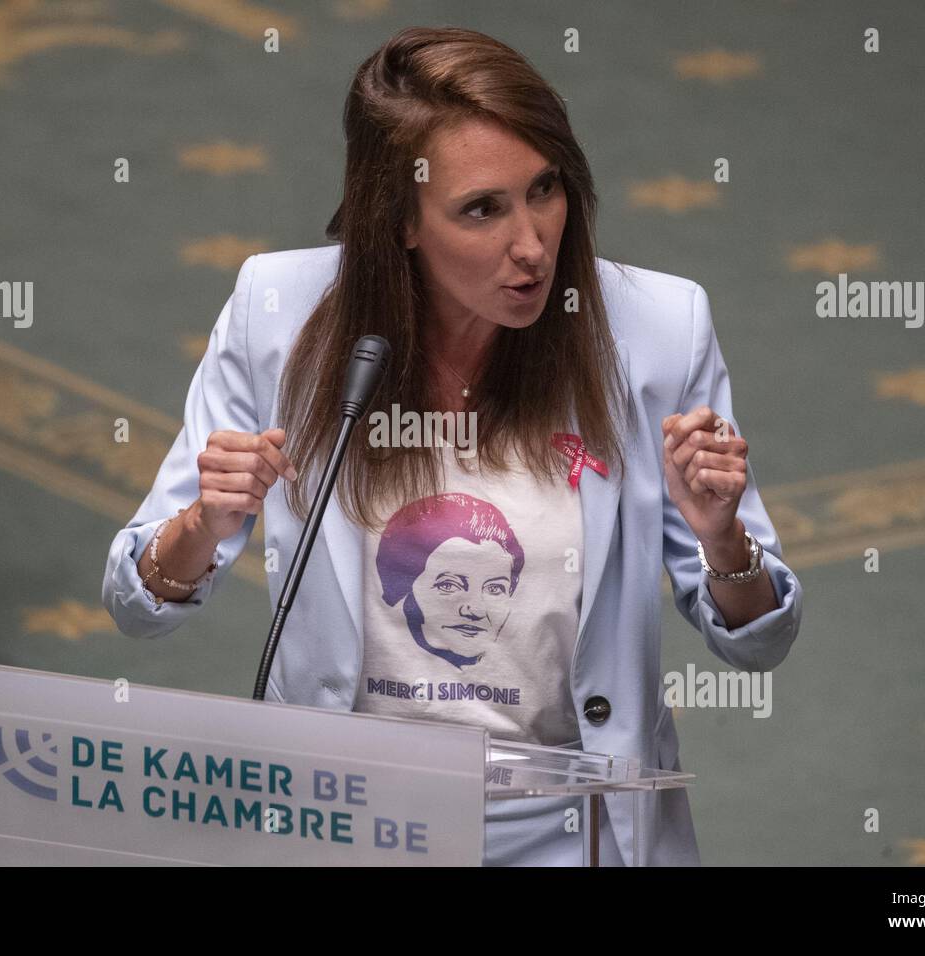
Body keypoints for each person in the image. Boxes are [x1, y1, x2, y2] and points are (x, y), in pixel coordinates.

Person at [102, 26, 802, 866]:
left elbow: (757, 640)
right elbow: (136, 602)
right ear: (398, 220)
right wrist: (205, 526)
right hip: (349, 823)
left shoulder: (658, 331)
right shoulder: (276, 314)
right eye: (482, 209)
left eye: (544, 189)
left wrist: (722, 536)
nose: (533, 246)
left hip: (574, 830)